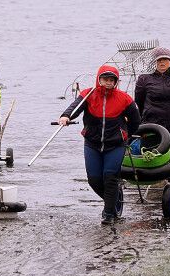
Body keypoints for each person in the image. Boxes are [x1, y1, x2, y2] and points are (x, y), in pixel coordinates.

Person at [59, 65, 141, 225]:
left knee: (110, 177)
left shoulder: (124, 99)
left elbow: (135, 120)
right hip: (92, 144)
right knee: (94, 179)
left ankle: (109, 213)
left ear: (116, 82)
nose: (108, 83)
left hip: (116, 144)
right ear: (99, 79)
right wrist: (66, 116)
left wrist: (127, 136)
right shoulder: (88, 94)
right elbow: (74, 107)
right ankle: (114, 200)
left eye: (112, 80)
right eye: (105, 79)